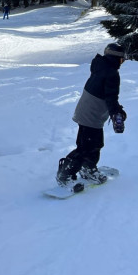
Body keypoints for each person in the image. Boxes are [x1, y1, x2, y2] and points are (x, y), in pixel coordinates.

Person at [56, 42, 128, 186]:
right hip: (92, 114)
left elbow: (105, 93)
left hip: (87, 111)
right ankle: (65, 174)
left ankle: (88, 169)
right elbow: (111, 97)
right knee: (86, 147)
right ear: (117, 58)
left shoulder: (101, 66)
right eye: (123, 58)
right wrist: (116, 113)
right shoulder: (112, 73)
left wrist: (117, 110)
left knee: (94, 143)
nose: (123, 61)